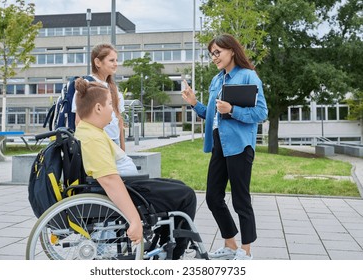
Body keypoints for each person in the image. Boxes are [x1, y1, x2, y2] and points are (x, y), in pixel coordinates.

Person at [74, 78, 197, 259]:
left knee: (178, 185)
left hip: (130, 184)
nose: (114, 111)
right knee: (186, 195)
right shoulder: (93, 138)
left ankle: (164, 246)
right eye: (110, 104)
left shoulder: (90, 130)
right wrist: (134, 220)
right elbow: (109, 180)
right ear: (98, 108)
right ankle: (174, 257)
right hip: (128, 189)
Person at [182, 34, 268, 260]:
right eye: (211, 54)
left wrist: (232, 110)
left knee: (241, 198)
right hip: (219, 143)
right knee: (212, 196)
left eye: (217, 52)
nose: (214, 57)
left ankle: (246, 250)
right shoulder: (216, 80)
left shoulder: (248, 76)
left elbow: (261, 113)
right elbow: (212, 114)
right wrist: (194, 103)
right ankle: (230, 244)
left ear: (231, 50)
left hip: (240, 145)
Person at [72, 43, 126, 151]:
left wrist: (122, 149)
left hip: (114, 142)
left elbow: (119, 120)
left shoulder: (114, 88)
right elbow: (79, 121)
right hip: (96, 143)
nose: (116, 64)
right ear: (97, 62)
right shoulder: (87, 85)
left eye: (116, 60)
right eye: (111, 60)